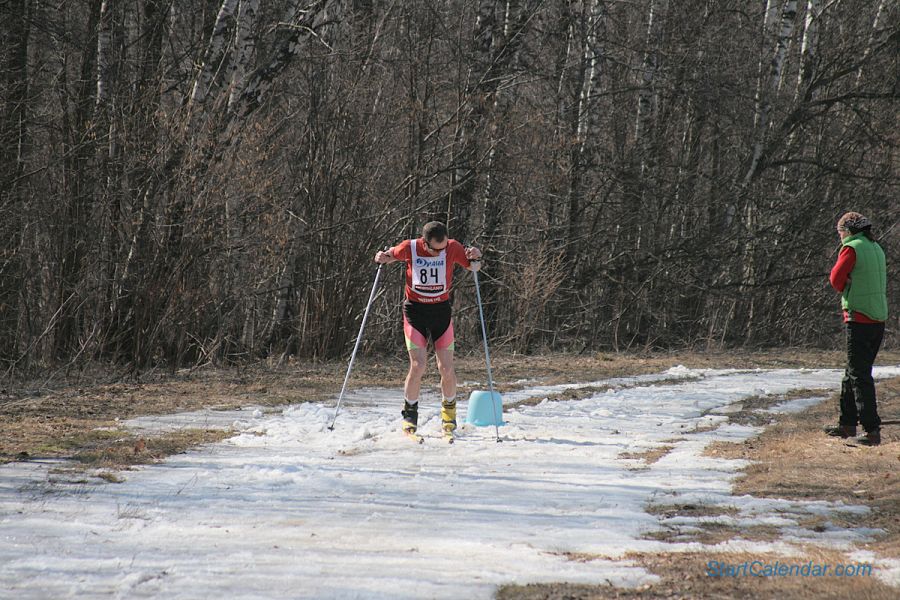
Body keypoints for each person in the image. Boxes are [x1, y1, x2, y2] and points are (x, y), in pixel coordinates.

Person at [374, 221, 482, 438]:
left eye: (442, 249)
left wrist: (477, 257)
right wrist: (381, 257)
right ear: (425, 242)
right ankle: (409, 417)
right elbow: (387, 255)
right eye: (435, 249)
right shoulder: (410, 247)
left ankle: (449, 417)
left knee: (447, 369)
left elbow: (474, 267)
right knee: (418, 365)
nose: (439, 253)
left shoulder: (452, 247)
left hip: (441, 312)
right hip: (415, 313)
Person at [824, 212, 888, 446]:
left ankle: (871, 430)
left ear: (849, 231)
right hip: (878, 318)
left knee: (859, 375)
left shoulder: (852, 248)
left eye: (840, 232)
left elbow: (835, 279)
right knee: (853, 370)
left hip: (859, 316)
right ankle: (847, 423)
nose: (840, 236)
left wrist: (846, 284)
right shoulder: (876, 248)